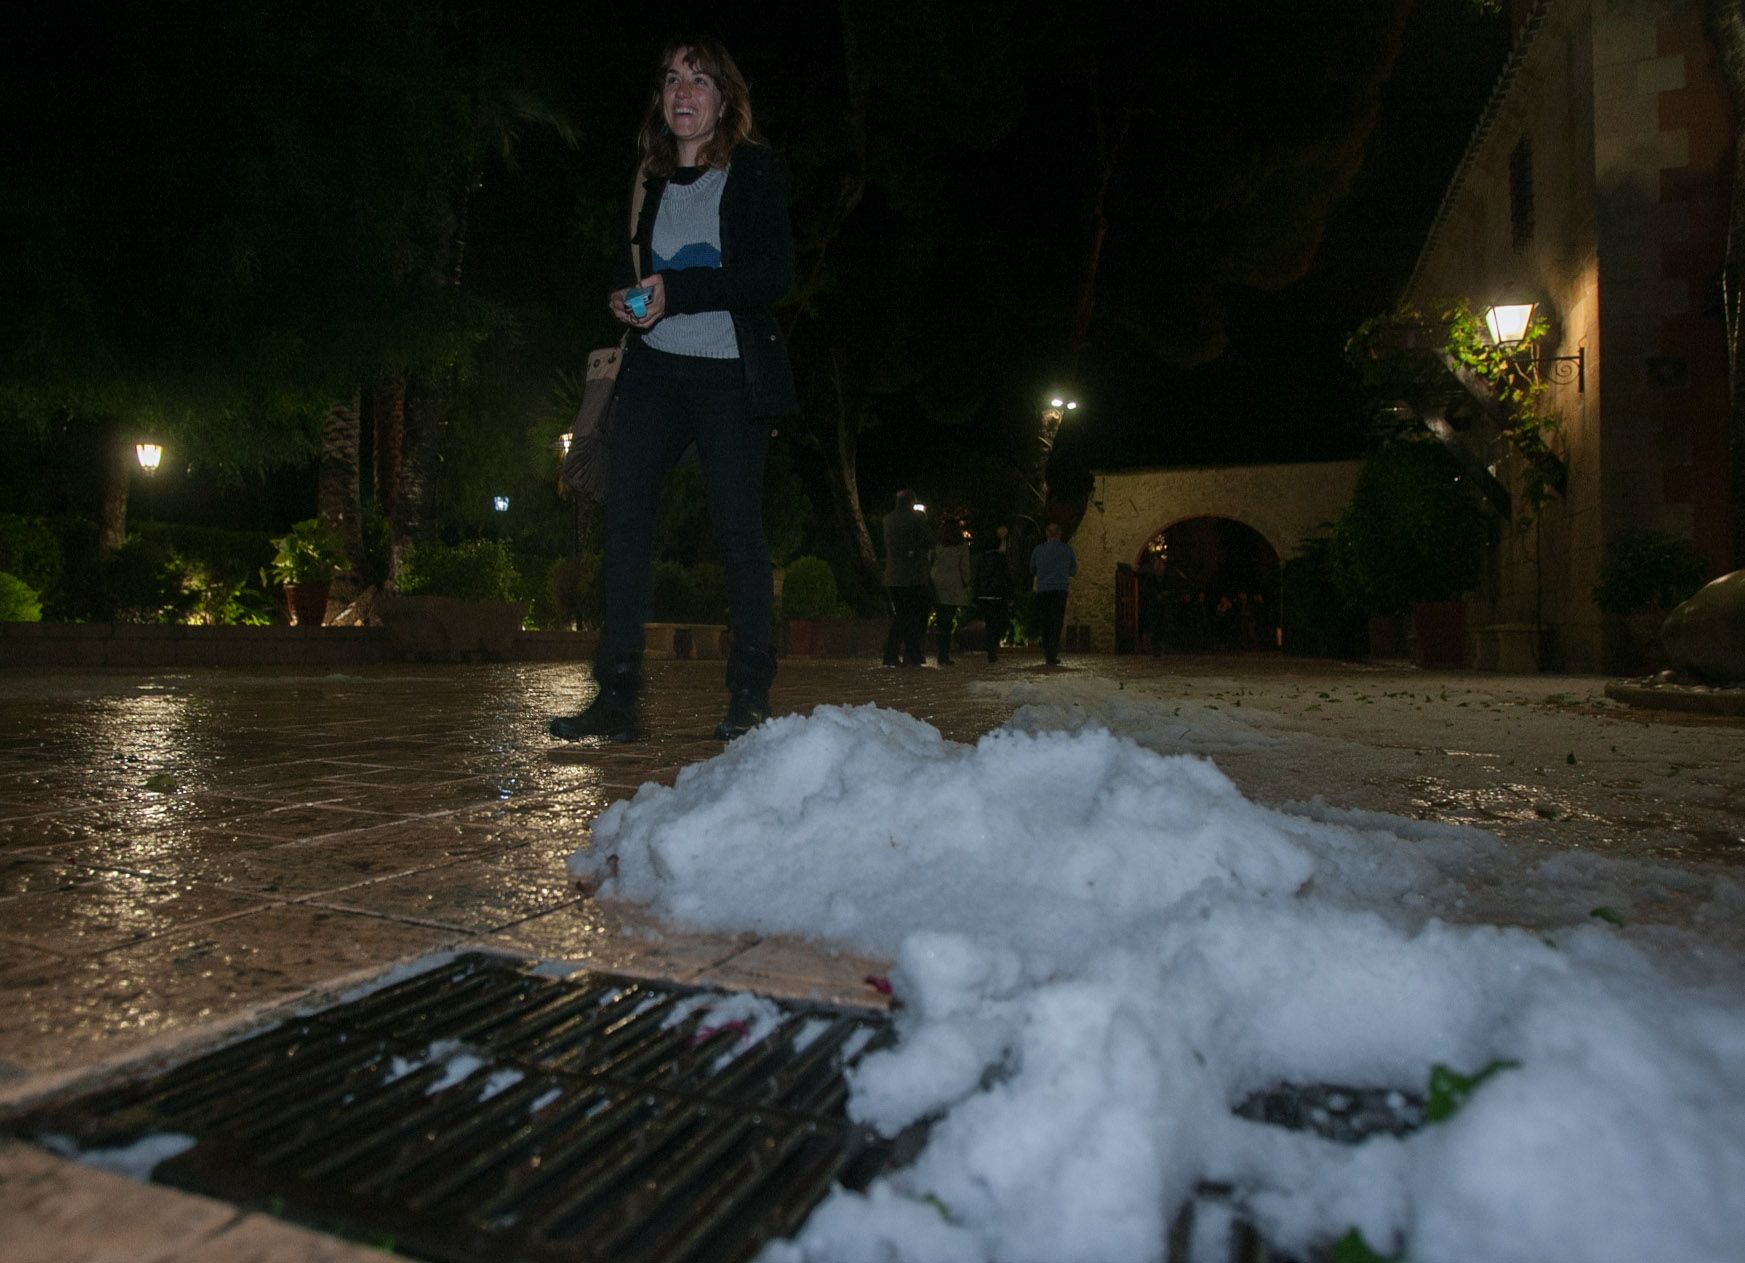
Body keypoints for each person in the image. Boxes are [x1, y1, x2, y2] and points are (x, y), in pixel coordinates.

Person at [549, 36, 796, 744]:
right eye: (671, 80)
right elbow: (625, 269)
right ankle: (617, 696)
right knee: (624, 526)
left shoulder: (752, 172)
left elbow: (770, 278)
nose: (682, 92)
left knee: (737, 532)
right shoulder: (646, 179)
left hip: (727, 373)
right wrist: (625, 299)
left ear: (725, 100)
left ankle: (749, 693)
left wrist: (676, 291)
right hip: (653, 369)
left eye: (699, 80)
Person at [881, 490, 933, 666]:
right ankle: (905, 653)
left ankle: (903, 653)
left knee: (903, 614)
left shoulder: (888, 519)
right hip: (913, 575)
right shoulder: (916, 519)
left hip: (893, 575)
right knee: (912, 615)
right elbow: (927, 540)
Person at [1029, 521, 1077, 667]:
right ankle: (1052, 653)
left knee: (1045, 621)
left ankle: (1047, 651)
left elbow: (1032, 569)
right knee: (1056, 621)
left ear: (1046, 534)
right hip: (1060, 589)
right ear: (1060, 534)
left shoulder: (1038, 550)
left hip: (1043, 589)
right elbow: (1073, 570)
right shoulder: (1067, 550)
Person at [929, 523, 972, 666]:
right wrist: (966, 581)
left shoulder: (938, 545)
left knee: (941, 619)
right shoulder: (962, 547)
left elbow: (930, 560)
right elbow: (965, 566)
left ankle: (940, 652)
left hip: (937, 582)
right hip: (953, 584)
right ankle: (944, 654)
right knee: (948, 621)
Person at [974, 529, 1015, 662]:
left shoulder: (981, 558)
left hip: (984, 594)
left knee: (990, 622)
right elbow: (1007, 577)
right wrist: (1010, 595)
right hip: (998, 594)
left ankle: (990, 646)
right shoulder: (1001, 559)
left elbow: (977, 578)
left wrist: (976, 594)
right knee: (997, 622)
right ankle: (992, 647)